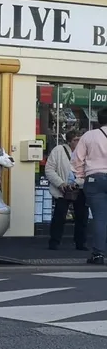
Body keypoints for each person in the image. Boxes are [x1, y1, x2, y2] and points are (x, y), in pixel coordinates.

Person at [71, 110, 107, 265]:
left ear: (98, 120)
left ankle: (98, 254)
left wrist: (81, 176)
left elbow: (76, 159)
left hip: (94, 178)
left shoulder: (89, 136)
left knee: (99, 218)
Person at [44, 130, 87, 251]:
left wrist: (78, 182)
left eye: (80, 139)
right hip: (62, 188)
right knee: (59, 216)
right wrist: (60, 183)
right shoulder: (59, 150)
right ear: (69, 141)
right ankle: (54, 242)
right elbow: (49, 169)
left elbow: (88, 170)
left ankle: (80, 243)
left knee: (82, 216)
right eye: (75, 140)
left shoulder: (86, 152)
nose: (78, 142)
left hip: (80, 187)